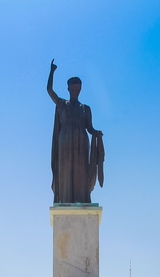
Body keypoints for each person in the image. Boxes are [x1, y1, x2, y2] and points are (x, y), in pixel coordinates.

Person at [47, 59, 104, 204]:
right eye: (72, 88)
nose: (75, 90)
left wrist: (96, 133)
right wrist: (52, 71)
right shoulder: (62, 104)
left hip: (81, 143)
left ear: (80, 89)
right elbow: (49, 91)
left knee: (80, 173)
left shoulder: (86, 108)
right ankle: (65, 200)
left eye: (77, 88)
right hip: (65, 142)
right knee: (65, 172)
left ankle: (81, 199)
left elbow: (89, 127)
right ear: (68, 89)